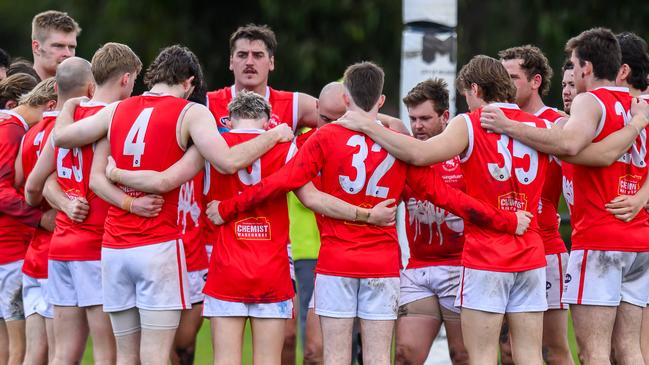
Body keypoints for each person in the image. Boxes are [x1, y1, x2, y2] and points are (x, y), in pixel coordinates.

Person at [209, 61, 533, 365]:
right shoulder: (397, 145)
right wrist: (505, 220)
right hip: (382, 264)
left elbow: (278, 183)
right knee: (378, 357)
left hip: (336, 262)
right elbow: (449, 198)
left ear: (346, 96)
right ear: (381, 100)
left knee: (335, 356)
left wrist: (227, 208)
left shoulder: (323, 138)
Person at [52, 44, 294, 365]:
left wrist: (67, 107)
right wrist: (274, 134)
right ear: (189, 82)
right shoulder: (191, 112)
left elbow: (63, 138)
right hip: (157, 246)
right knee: (155, 354)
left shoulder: (117, 109)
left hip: (114, 247)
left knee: (125, 355)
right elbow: (227, 161)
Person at [334, 56, 553, 364]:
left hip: (487, 253)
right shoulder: (539, 125)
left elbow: (420, 154)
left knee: (479, 357)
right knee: (529, 356)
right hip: (530, 250)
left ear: (475, 89)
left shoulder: (470, 122)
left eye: (466, 94)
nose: (467, 101)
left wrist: (368, 126)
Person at [480, 28, 649, 364]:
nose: (570, 78)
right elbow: (594, 153)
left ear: (586, 67)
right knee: (630, 348)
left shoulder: (593, 100)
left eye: (573, 66)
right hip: (638, 240)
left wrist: (508, 126)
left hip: (600, 238)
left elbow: (570, 145)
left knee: (593, 352)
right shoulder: (639, 106)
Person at [23, 43, 143, 365]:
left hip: (60, 247)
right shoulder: (115, 117)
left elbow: (34, 185)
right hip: (95, 245)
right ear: (125, 79)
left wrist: (60, 201)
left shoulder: (70, 116)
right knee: (109, 353)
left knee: (63, 355)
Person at [498, 45, 574, 365]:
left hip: (544, 245)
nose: (505, 84)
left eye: (512, 77)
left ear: (535, 81)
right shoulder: (496, 119)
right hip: (501, 246)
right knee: (506, 350)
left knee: (554, 350)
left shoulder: (557, 121)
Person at [21, 58, 94, 364]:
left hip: (34, 255)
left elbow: (24, 187)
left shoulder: (32, 132)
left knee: (35, 353)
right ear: (89, 89)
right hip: (67, 249)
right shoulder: (80, 130)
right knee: (66, 354)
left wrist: (42, 211)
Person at [394, 78, 468, 365]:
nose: (417, 126)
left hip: (460, 267)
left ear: (445, 117)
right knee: (405, 354)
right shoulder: (407, 156)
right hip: (419, 268)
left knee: (463, 355)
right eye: (412, 119)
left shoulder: (464, 153)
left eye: (425, 118)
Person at [0, 75, 56, 365]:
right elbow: (1, 191)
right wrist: (40, 218)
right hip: (10, 251)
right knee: (20, 351)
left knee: (8, 347)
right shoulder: (11, 130)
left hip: (6, 251)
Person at [31, 10, 80, 81]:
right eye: (59, 46)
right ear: (36, 47)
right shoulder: (16, 90)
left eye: (72, 47)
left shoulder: (83, 90)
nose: (68, 54)